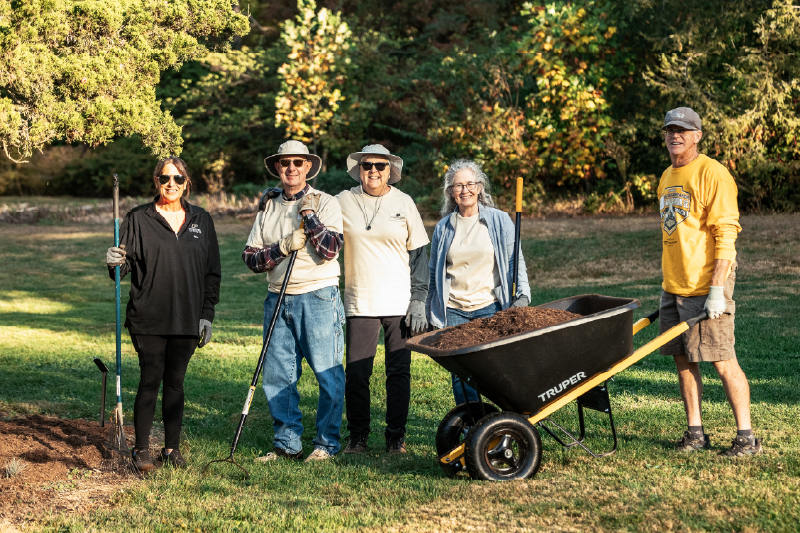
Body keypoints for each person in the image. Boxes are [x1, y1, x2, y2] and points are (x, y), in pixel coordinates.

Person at [105, 157, 221, 473]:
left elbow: (212, 273)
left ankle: (171, 449)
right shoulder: (138, 218)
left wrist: (206, 314)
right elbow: (121, 270)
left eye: (178, 178)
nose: (171, 184)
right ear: (156, 181)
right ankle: (141, 450)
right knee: (151, 377)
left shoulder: (202, 220)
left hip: (187, 317)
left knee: (176, 382)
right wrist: (114, 261)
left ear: (187, 182)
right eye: (165, 178)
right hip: (148, 316)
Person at [657, 107, 761, 457]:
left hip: (706, 285)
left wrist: (717, 290)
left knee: (721, 359)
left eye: (683, 130)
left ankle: (746, 437)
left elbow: (726, 233)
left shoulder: (713, 174)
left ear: (697, 136)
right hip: (674, 285)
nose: (676, 135)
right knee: (684, 360)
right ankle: (695, 433)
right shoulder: (667, 176)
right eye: (671, 129)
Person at [242, 140, 345, 463]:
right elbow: (251, 258)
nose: (291, 169)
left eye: (297, 163)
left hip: (317, 295)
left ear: (308, 167)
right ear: (277, 168)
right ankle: (287, 443)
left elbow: (330, 250)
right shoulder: (269, 206)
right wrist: (282, 247)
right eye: (284, 163)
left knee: (327, 374)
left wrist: (310, 218)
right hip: (277, 298)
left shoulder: (325, 202)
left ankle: (326, 443)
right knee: (278, 374)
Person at [336, 144, 430, 455]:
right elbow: (312, 208)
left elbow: (418, 255)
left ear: (390, 170)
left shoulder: (404, 202)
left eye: (379, 165)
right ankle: (358, 437)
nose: (373, 171)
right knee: (358, 373)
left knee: (398, 373)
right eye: (367, 166)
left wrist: (419, 299)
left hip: (399, 303)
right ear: (358, 170)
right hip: (359, 301)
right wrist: (276, 197)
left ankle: (395, 438)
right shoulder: (343, 201)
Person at [426, 159, 530, 405]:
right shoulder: (443, 228)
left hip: (490, 306)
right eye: (458, 185)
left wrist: (523, 295)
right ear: (451, 192)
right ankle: (470, 424)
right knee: (461, 374)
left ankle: (498, 421)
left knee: (492, 370)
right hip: (455, 310)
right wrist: (430, 308)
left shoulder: (499, 220)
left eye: (470, 184)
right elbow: (434, 273)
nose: (465, 190)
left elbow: (516, 260)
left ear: (480, 187)